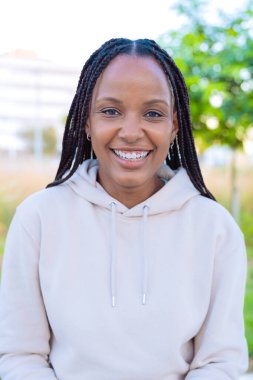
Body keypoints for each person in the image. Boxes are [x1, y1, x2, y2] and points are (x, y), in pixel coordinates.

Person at [0, 38, 248, 379]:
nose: (131, 132)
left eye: (152, 113)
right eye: (110, 111)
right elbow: (20, 355)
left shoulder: (214, 228)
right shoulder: (38, 220)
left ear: (174, 125)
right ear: (86, 121)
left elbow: (221, 363)